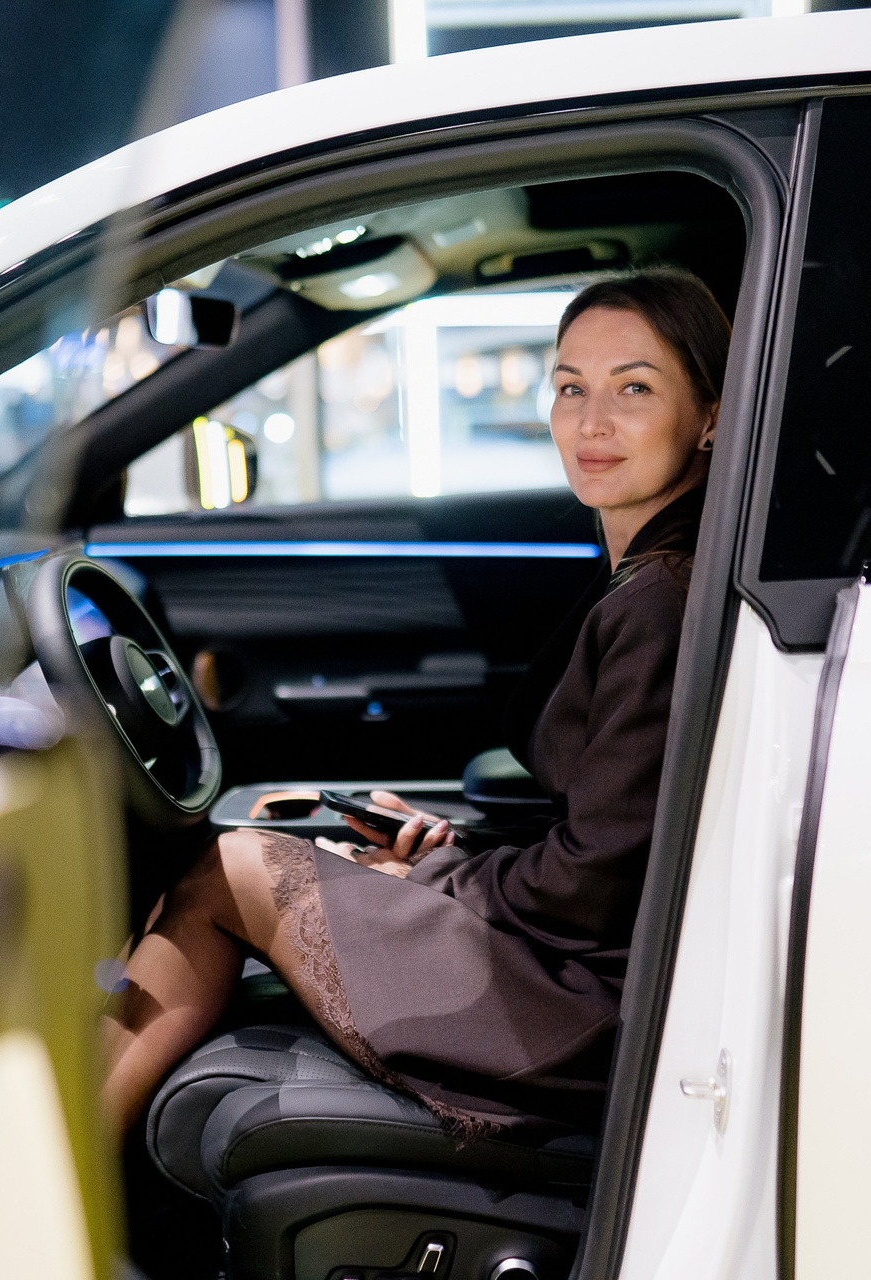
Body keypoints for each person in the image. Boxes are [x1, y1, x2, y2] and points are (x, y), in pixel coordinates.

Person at [102, 267, 730, 1139]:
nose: (592, 422)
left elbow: (595, 889)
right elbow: (615, 836)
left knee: (230, 871)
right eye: (570, 388)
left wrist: (435, 878)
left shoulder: (658, 601)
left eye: (634, 389)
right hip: (588, 963)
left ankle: (44, 1174)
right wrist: (455, 851)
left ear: (710, 416)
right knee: (258, 862)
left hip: (589, 1008)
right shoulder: (650, 573)